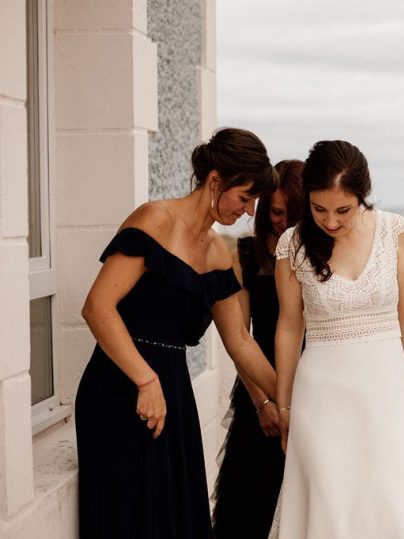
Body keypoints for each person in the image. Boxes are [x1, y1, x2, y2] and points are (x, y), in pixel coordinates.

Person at [75, 128, 280, 539]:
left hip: (173, 394)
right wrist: (145, 379)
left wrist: (290, 398)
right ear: (216, 179)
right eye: (245, 198)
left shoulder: (217, 251)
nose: (249, 212)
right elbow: (97, 308)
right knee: (128, 519)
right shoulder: (154, 219)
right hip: (120, 388)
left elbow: (239, 341)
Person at [272, 140, 404, 538]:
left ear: (363, 194)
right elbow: (290, 326)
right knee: (331, 503)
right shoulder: (292, 244)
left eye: (343, 209)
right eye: (318, 208)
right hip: (321, 397)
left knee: (390, 499)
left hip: (387, 391)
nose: (330, 221)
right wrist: (285, 404)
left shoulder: (395, 230)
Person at [211, 160, 305, 538]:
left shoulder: (316, 254)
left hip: (309, 386)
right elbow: (239, 337)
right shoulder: (247, 255)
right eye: (276, 212)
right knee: (250, 502)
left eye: (292, 214)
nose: (283, 222)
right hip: (259, 387)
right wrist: (263, 403)